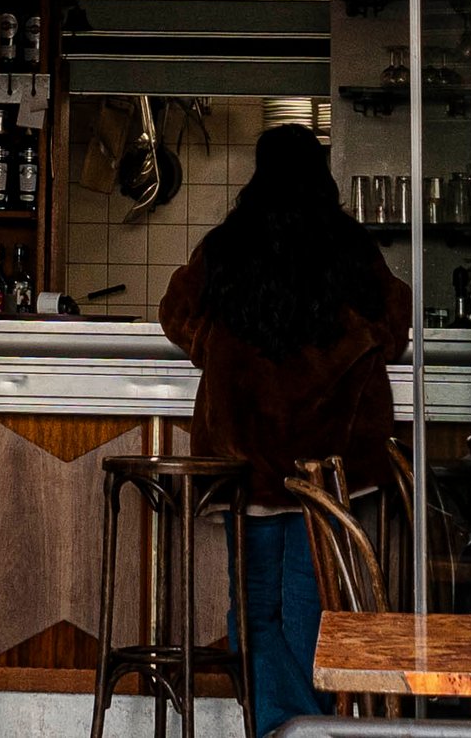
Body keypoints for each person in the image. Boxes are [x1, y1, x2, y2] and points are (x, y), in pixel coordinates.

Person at [160, 123, 410, 736]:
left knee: (252, 608)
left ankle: (279, 726)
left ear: (257, 175)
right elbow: (396, 326)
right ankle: (308, 730)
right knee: (313, 610)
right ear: (322, 177)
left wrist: (212, 344)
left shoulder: (227, 246)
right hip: (331, 465)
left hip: (248, 460)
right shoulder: (352, 249)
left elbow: (175, 314)